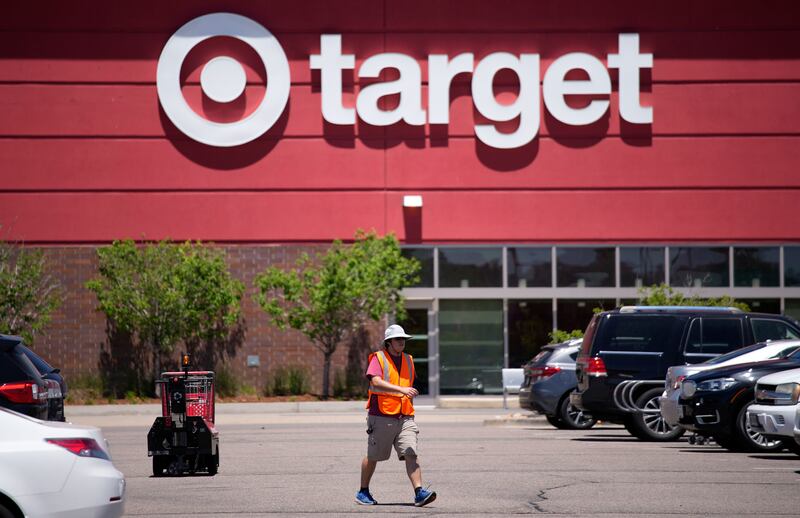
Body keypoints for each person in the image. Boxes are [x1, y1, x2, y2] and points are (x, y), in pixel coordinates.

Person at [355, 324, 437, 507]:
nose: (402, 342)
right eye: (398, 339)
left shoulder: (409, 359)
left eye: (404, 339)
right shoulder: (379, 358)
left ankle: (419, 492)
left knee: (411, 452)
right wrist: (401, 390)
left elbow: (410, 383)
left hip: (405, 415)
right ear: (389, 342)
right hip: (382, 415)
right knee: (374, 456)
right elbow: (375, 382)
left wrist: (410, 396)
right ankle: (363, 491)